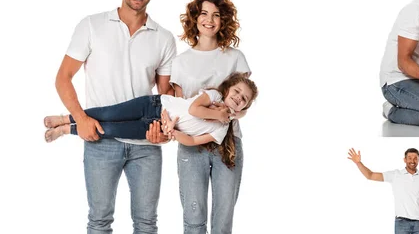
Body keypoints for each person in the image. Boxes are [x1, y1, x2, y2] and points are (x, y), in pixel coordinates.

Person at [52, 0, 176, 234]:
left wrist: (164, 132)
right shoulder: (92, 25)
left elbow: (163, 100)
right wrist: (79, 118)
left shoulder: (164, 38)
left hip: (145, 147)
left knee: (146, 221)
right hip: (100, 142)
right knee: (100, 218)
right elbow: (63, 77)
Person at [171, 0, 251, 234]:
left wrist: (227, 116)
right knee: (193, 221)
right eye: (204, 13)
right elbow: (175, 103)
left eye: (216, 15)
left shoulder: (235, 57)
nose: (209, 19)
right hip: (189, 146)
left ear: (224, 21)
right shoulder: (181, 60)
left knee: (222, 223)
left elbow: (245, 103)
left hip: (227, 147)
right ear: (194, 18)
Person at [44, 73, 258, 148]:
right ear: (228, 88)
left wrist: (174, 133)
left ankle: (65, 130)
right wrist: (219, 114)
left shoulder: (222, 130)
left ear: (245, 107)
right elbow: (194, 110)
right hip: (155, 105)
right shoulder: (214, 96)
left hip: (157, 127)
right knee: (109, 114)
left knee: (108, 129)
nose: (238, 97)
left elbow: (193, 141)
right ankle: (65, 118)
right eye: (237, 91)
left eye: (244, 99)